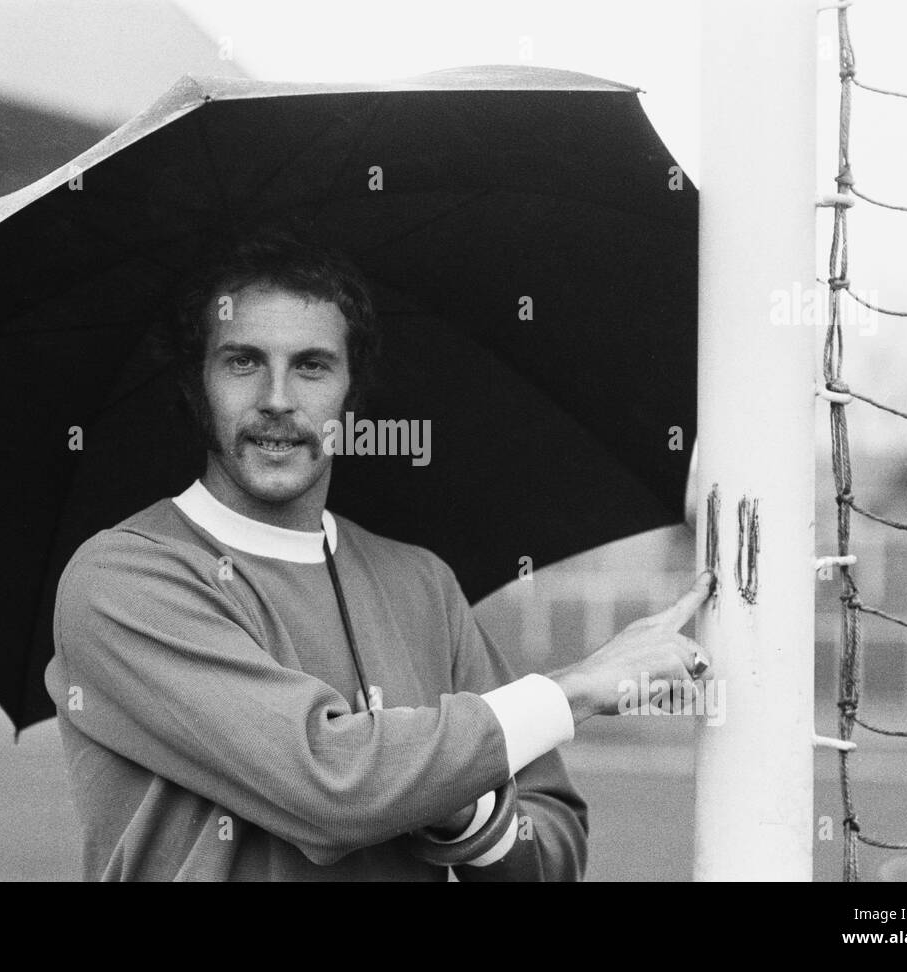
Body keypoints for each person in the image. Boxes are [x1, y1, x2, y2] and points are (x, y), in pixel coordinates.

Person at [44, 226, 714, 881]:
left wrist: (466, 810)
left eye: (311, 366)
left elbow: (553, 851)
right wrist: (576, 687)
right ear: (196, 387)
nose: (277, 399)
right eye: (243, 361)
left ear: (352, 400)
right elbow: (331, 788)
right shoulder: (121, 579)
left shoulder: (420, 581)